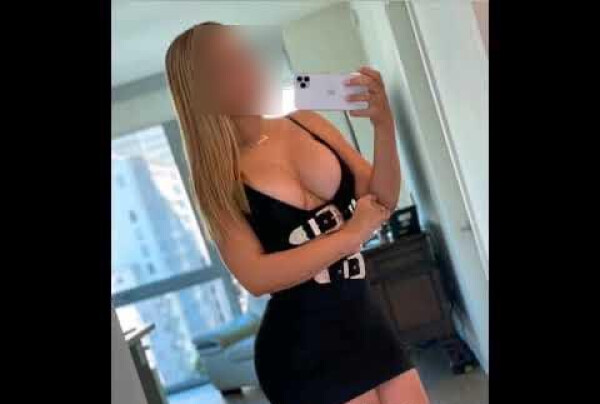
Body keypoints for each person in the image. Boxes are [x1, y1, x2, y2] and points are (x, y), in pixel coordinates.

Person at [165, 22, 430, 404]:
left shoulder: (306, 121)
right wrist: (349, 236)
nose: (247, 67)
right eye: (226, 65)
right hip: (303, 346)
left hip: (365, 318)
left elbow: (381, 200)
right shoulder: (217, 177)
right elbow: (256, 277)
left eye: (244, 53)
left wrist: (383, 124)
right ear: (202, 89)